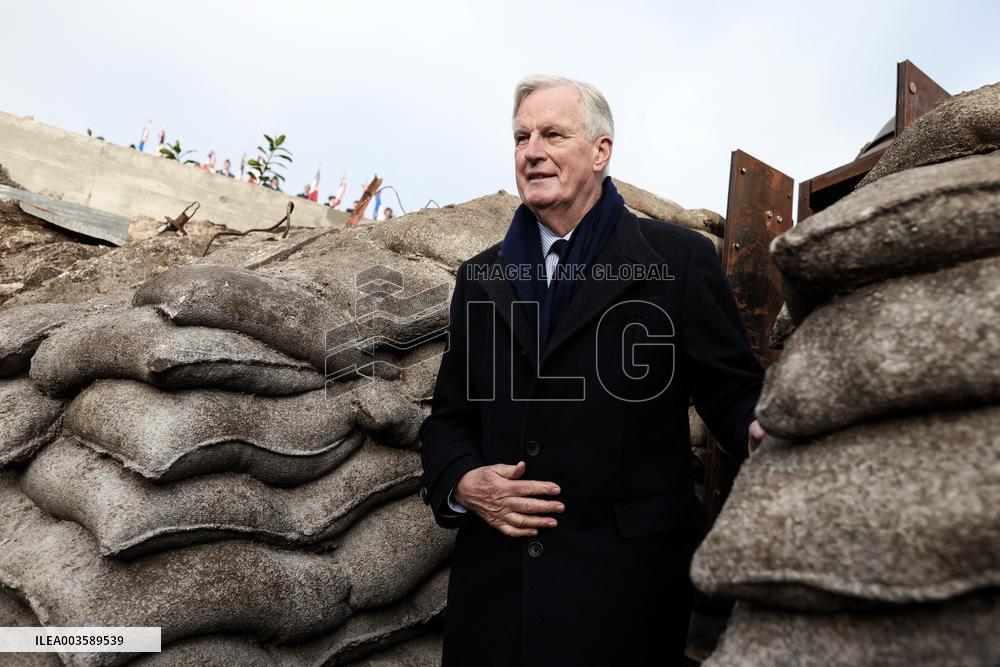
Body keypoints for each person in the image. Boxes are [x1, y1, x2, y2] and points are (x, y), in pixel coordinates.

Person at [418, 75, 766, 667]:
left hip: (622, 591)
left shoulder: (677, 261)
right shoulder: (480, 279)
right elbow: (449, 420)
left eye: (553, 133)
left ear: (601, 151)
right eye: (522, 136)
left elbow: (732, 395)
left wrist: (771, 431)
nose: (532, 151)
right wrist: (462, 484)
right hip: (498, 592)